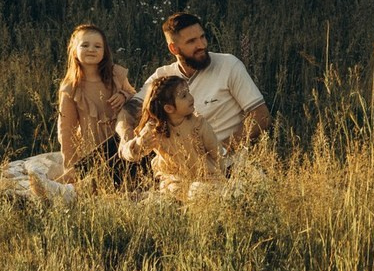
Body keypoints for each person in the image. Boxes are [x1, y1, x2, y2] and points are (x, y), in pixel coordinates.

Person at [116, 11, 270, 167]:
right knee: (108, 154)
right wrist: (126, 138)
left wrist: (221, 149)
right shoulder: (163, 76)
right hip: (176, 162)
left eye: (202, 37)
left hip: (220, 163)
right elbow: (128, 111)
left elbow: (261, 115)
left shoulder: (228, 65)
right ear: (174, 48)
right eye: (191, 41)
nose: (202, 45)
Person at [55, 22, 138, 187]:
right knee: (97, 177)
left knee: (119, 173)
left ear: (104, 52)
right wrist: (69, 165)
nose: (91, 49)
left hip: (122, 140)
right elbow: (66, 129)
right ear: (74, 50)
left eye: (97, 46)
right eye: (85, 45)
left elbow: (137, 98)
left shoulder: (116, 75)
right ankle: (63, 186)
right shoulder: (71, 88)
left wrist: (124, 95)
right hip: (94, 147)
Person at [126, 74, 225, 202]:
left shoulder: (198, 123)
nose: (191, 98)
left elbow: (216, 150)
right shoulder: (154, 129)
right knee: (172, 195)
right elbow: (131, 154)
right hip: (174, 180)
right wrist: (139, 144)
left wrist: (219, 174)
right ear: (169, 108)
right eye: (184, 96)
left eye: (188, 93)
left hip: (207, 177)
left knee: (200, 191)